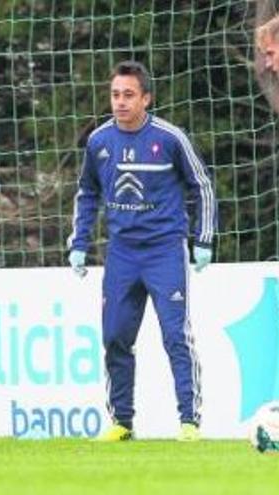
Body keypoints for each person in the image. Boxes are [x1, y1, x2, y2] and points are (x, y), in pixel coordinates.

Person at [67, 60, 217, 442]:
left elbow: (201, 184)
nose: (120, 102)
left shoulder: (169, 138)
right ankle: (122, 421)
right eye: (115, 94)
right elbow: (87, 193)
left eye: (129, 95)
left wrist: (203, 238)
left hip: (165, 251)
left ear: (146, 98)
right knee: (115, 336)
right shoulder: (99, 142)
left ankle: (189, 421)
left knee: (174, 335)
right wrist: (79, 242)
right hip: (122, 254)